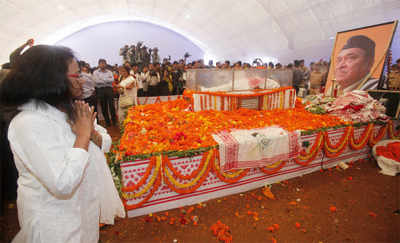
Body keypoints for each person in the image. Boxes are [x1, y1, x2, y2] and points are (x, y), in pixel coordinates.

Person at [0, 45, 125, 243]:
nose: (82, 80)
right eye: (76, 76)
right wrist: (83, 136)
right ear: (52, 80)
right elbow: (62, 183)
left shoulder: (68, 110)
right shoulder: (28, 123)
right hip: (55, 226)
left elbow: (104, 141)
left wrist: (92, 134)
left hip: (82, 214)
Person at [93, 59, 117, 127]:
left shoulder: (109, 72)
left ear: (106, 64)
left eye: (104, 63)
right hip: (100, 90)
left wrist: (102, 80)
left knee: (112, 106)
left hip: (109, 89)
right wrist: (106, 80)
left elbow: (112, 80)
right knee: (104, 106)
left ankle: (114, 121)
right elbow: (97, 81)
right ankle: (107, 122)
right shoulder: (95, 72)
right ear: (99, 64)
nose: (103, 65)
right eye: (101, 63)